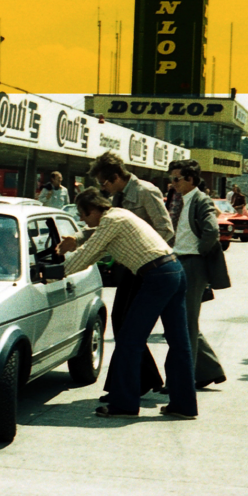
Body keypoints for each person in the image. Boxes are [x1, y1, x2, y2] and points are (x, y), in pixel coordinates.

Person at [57, 189, 197, 420]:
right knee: (179, 342)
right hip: (174, 270)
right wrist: (79, 237)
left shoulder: (111, 222)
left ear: (93, 210)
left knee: (129, 341)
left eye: (83, 215)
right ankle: (184, 405)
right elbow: (96, 234)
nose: (82, 220)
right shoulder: (119, 214)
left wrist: (53, 273)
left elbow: (86, 256)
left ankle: (124, 405)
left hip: (156, 277)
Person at [88, 151, 174, 398]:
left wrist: (145, 257)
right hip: (128, 268)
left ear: (115, 177)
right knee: (121, 322)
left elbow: (166, 230)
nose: (104, 189)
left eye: (104, 184)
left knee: (129, 325)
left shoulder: (146, 192)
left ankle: (127, 386)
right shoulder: (119, 197)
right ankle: (144, 378)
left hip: (147, 268)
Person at [169, 160, 230, 388]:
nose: (172, 183)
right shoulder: (179, 200)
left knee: (185, 323)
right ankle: (208, 370)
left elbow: (211, 231)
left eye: (176, 179)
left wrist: (198, 255)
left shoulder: (200, 200)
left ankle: (183, 378)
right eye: (171, 179)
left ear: (190, 180)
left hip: (192, 265)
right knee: (182, 321)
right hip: (178, 261)